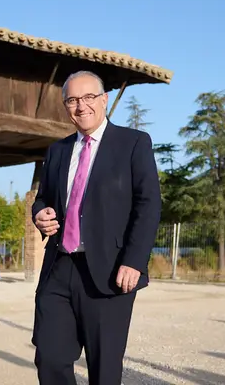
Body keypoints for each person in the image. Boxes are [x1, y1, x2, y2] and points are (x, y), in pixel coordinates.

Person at [31, 71, 162, 384]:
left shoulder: (133, 143)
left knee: (104, 370)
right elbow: (43, 199)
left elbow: (148, 204)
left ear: (104, 100)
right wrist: (40, 215)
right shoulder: (58, 150)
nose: (81, 106)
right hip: (59, 267)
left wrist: (134, 260)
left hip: (110, 269)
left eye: (88, 97)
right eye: (72, 100)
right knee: (49, 357)